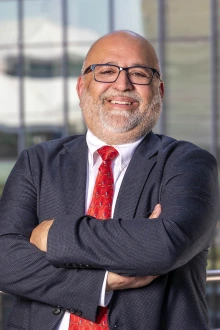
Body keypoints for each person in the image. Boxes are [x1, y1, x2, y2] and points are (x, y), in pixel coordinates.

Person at [0, 30, 218, 330]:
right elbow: (4, 259)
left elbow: (166, 244)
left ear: (160, 91)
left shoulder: (189, 163)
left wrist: (53, 235)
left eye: (139, 73)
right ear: (81, 87)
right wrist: (102, 281)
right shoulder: (37, 162)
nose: (122, 84)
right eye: (106, 71)